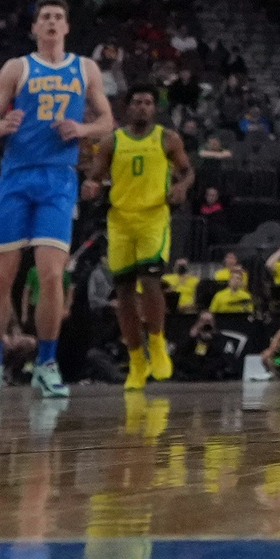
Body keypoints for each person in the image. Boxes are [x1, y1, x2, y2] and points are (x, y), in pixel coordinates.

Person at [0, 0, 117, 398]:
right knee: (1, 275)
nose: (52, 23)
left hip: (58, 179)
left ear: (67, 27)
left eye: (59, 16)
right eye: (45, 18)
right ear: (35, 28)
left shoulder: (85, 68)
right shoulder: (17, 67)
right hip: (16, 177)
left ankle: (47, 363)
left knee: (53, 275)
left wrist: (82, 129)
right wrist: (3, 126)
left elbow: (107, 121)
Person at [102, 84, 191, 389]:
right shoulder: (112, 141)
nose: (142, 107)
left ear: (155, 108)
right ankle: (136, 360)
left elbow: (187, 171)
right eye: (137, 102)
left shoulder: (167, 138)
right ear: (127, 107)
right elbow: (95, 176)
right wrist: (90, 185)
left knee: (151, 281)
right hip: (120, 221)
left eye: (148, 102)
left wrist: (181, 187)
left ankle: (156, 342)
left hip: (153, 217)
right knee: (124, 295)